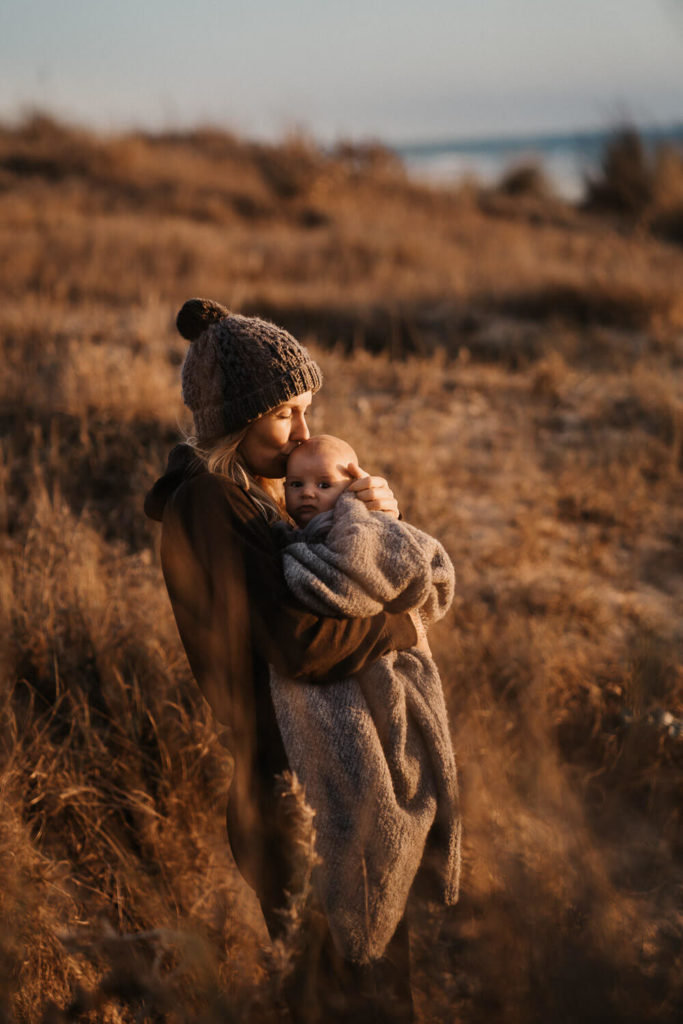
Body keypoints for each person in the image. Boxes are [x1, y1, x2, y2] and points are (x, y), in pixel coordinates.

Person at [144, 298, 420, 1022]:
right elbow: (300, 644)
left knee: (360, 987)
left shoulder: (267, 500)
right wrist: (397, 622)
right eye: (283, 415)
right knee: (337, 998)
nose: (303, 431)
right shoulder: (210, 502)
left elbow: (334, 587)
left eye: (306, 410)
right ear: (235, 419)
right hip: (284, 796)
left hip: (320, 778)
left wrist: (368, 518)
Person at [271, 435, 460, 969]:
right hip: (338, 675)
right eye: (297, 484)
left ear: (352, 486)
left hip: (377, 663)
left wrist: (376, 518)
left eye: (324, 485)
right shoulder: (286, 532)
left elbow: (405, 565)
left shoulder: (355, 525)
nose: (308, 495)